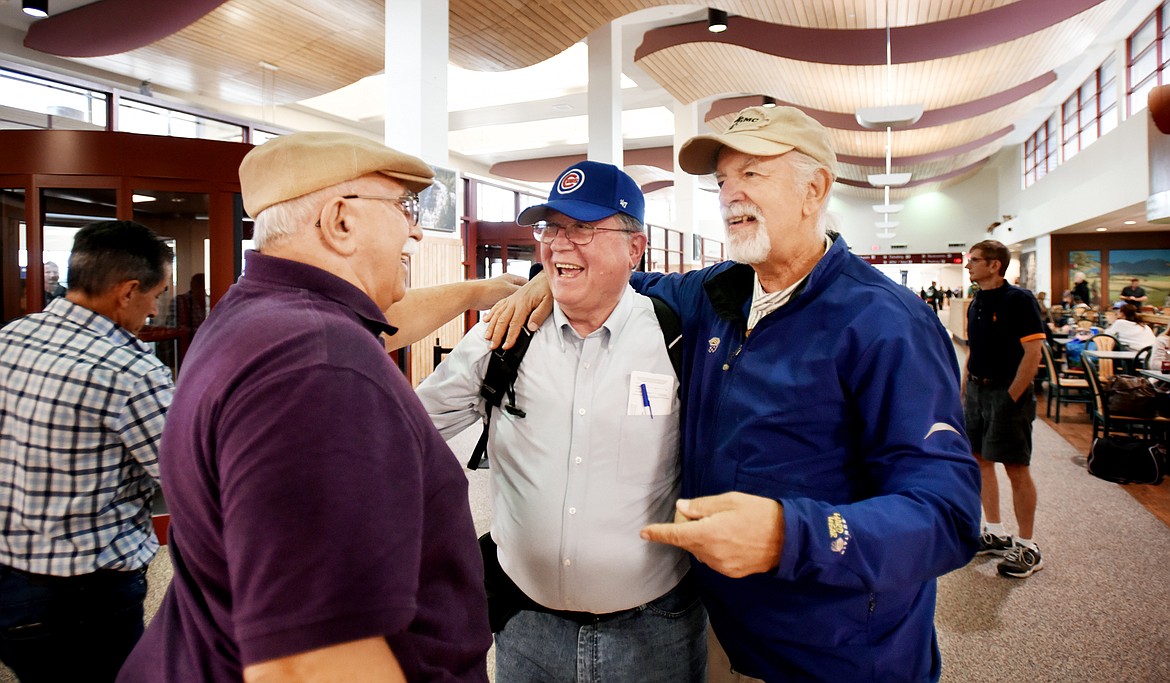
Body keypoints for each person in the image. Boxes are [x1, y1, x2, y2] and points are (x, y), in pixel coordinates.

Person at [486, 105, 982, 682]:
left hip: (838, 653)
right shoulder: (715, 294)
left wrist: (791, 535)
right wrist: (549, 276)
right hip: (721, 635)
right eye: (723, 180)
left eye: (752, 174)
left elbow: (945, 515)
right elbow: (614, 277)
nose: (729, 195)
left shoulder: (885, 322)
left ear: (814, 189)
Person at [118, 131, 493, 682]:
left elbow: (378, 327)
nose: (416, 229)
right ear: (341, 221)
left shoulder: (263, 318)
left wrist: (484, 292)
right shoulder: (318, 366)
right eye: (404, 208)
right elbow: (309, 664)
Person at [417, 161, 706, 682]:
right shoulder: (503, 336)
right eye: (550, 228)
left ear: (634, 248)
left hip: (656, 632)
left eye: (582, 229)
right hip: (527, 630)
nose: (558, 245)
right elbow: (407, 430)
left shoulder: (674, 337)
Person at [0, 221, 174, 683]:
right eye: (156, 295)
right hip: (83, 596)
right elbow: (184, 476)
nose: (155, 310)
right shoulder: (130, 371)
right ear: (128, 291)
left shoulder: (11, 338)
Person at [963, 240, 1048, 579]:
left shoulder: (1020, 301)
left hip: (1007, 394)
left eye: (975, 260)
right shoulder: (977, 302)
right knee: (980, 461)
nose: (969, 265)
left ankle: (1028, 545)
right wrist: (963, 390)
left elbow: (1033, 354)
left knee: (1016, 468)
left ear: (995, 265)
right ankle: (995, 531)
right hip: (977, 391)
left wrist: (1012, 396)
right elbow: (973, 349)